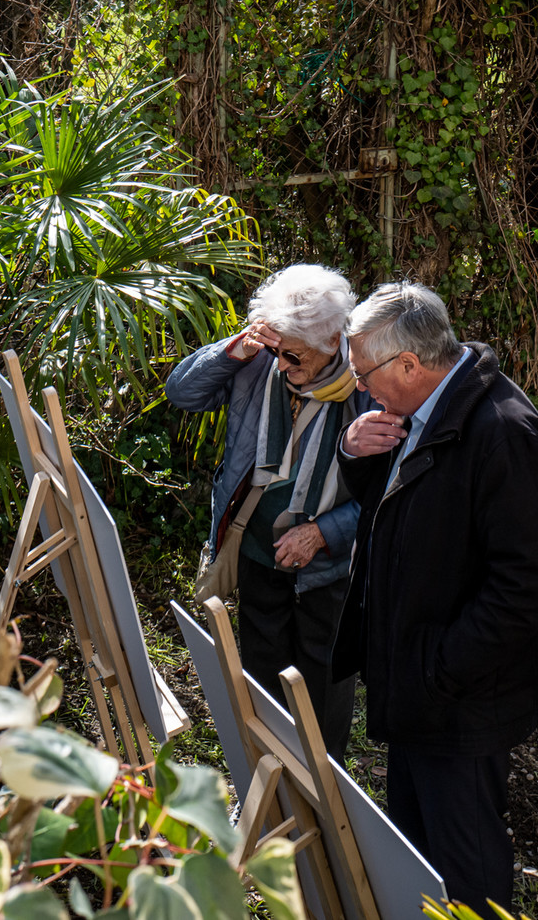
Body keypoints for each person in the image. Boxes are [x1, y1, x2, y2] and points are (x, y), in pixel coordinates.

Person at [331, 282, 538, 920]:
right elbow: (402, 509)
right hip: (417, 680)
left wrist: (440, 667)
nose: (359, 388)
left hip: (459, 696)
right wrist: (357, 454)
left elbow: (529, 585)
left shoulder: (503, 432)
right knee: (415, 843)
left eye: (362, 373)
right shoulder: (422, 406)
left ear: (409, 364)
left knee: (467, 862)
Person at [165, 264, 366, 759]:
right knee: (261, 674)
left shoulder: (368, 383)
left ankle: (326, 803)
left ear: (333, 341)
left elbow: (391, 491)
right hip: (259, 549)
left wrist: (324, 532)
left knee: (322, 688)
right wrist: (235, 349)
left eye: (293, 355)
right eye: (277, 350)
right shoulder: (260, 362)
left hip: (331, 565)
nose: (281, 365)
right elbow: (182, 392)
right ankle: (269, 787)